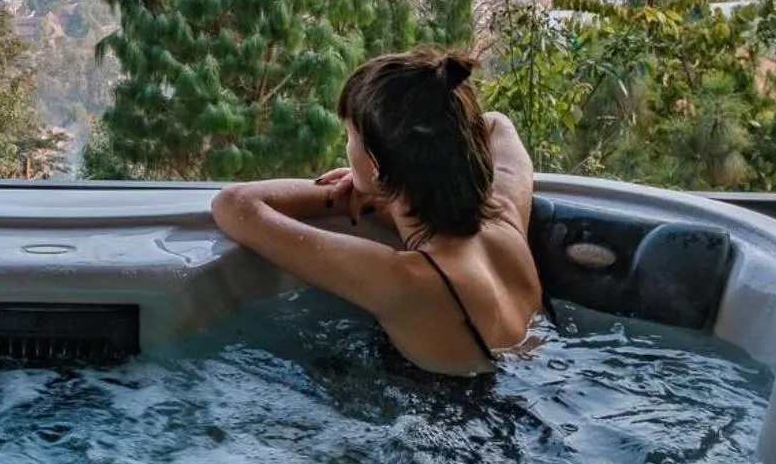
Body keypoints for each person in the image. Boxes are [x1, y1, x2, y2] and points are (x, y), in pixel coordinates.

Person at [209, 47, 543, 376]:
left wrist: (344, 193)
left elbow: (235, 205)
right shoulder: (505, 219)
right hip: (532, 371)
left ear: (377, 164)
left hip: (459, 419)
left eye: (350, 134)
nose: (347, 144)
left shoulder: (408, 281)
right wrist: (383, 185)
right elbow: (496, 124)